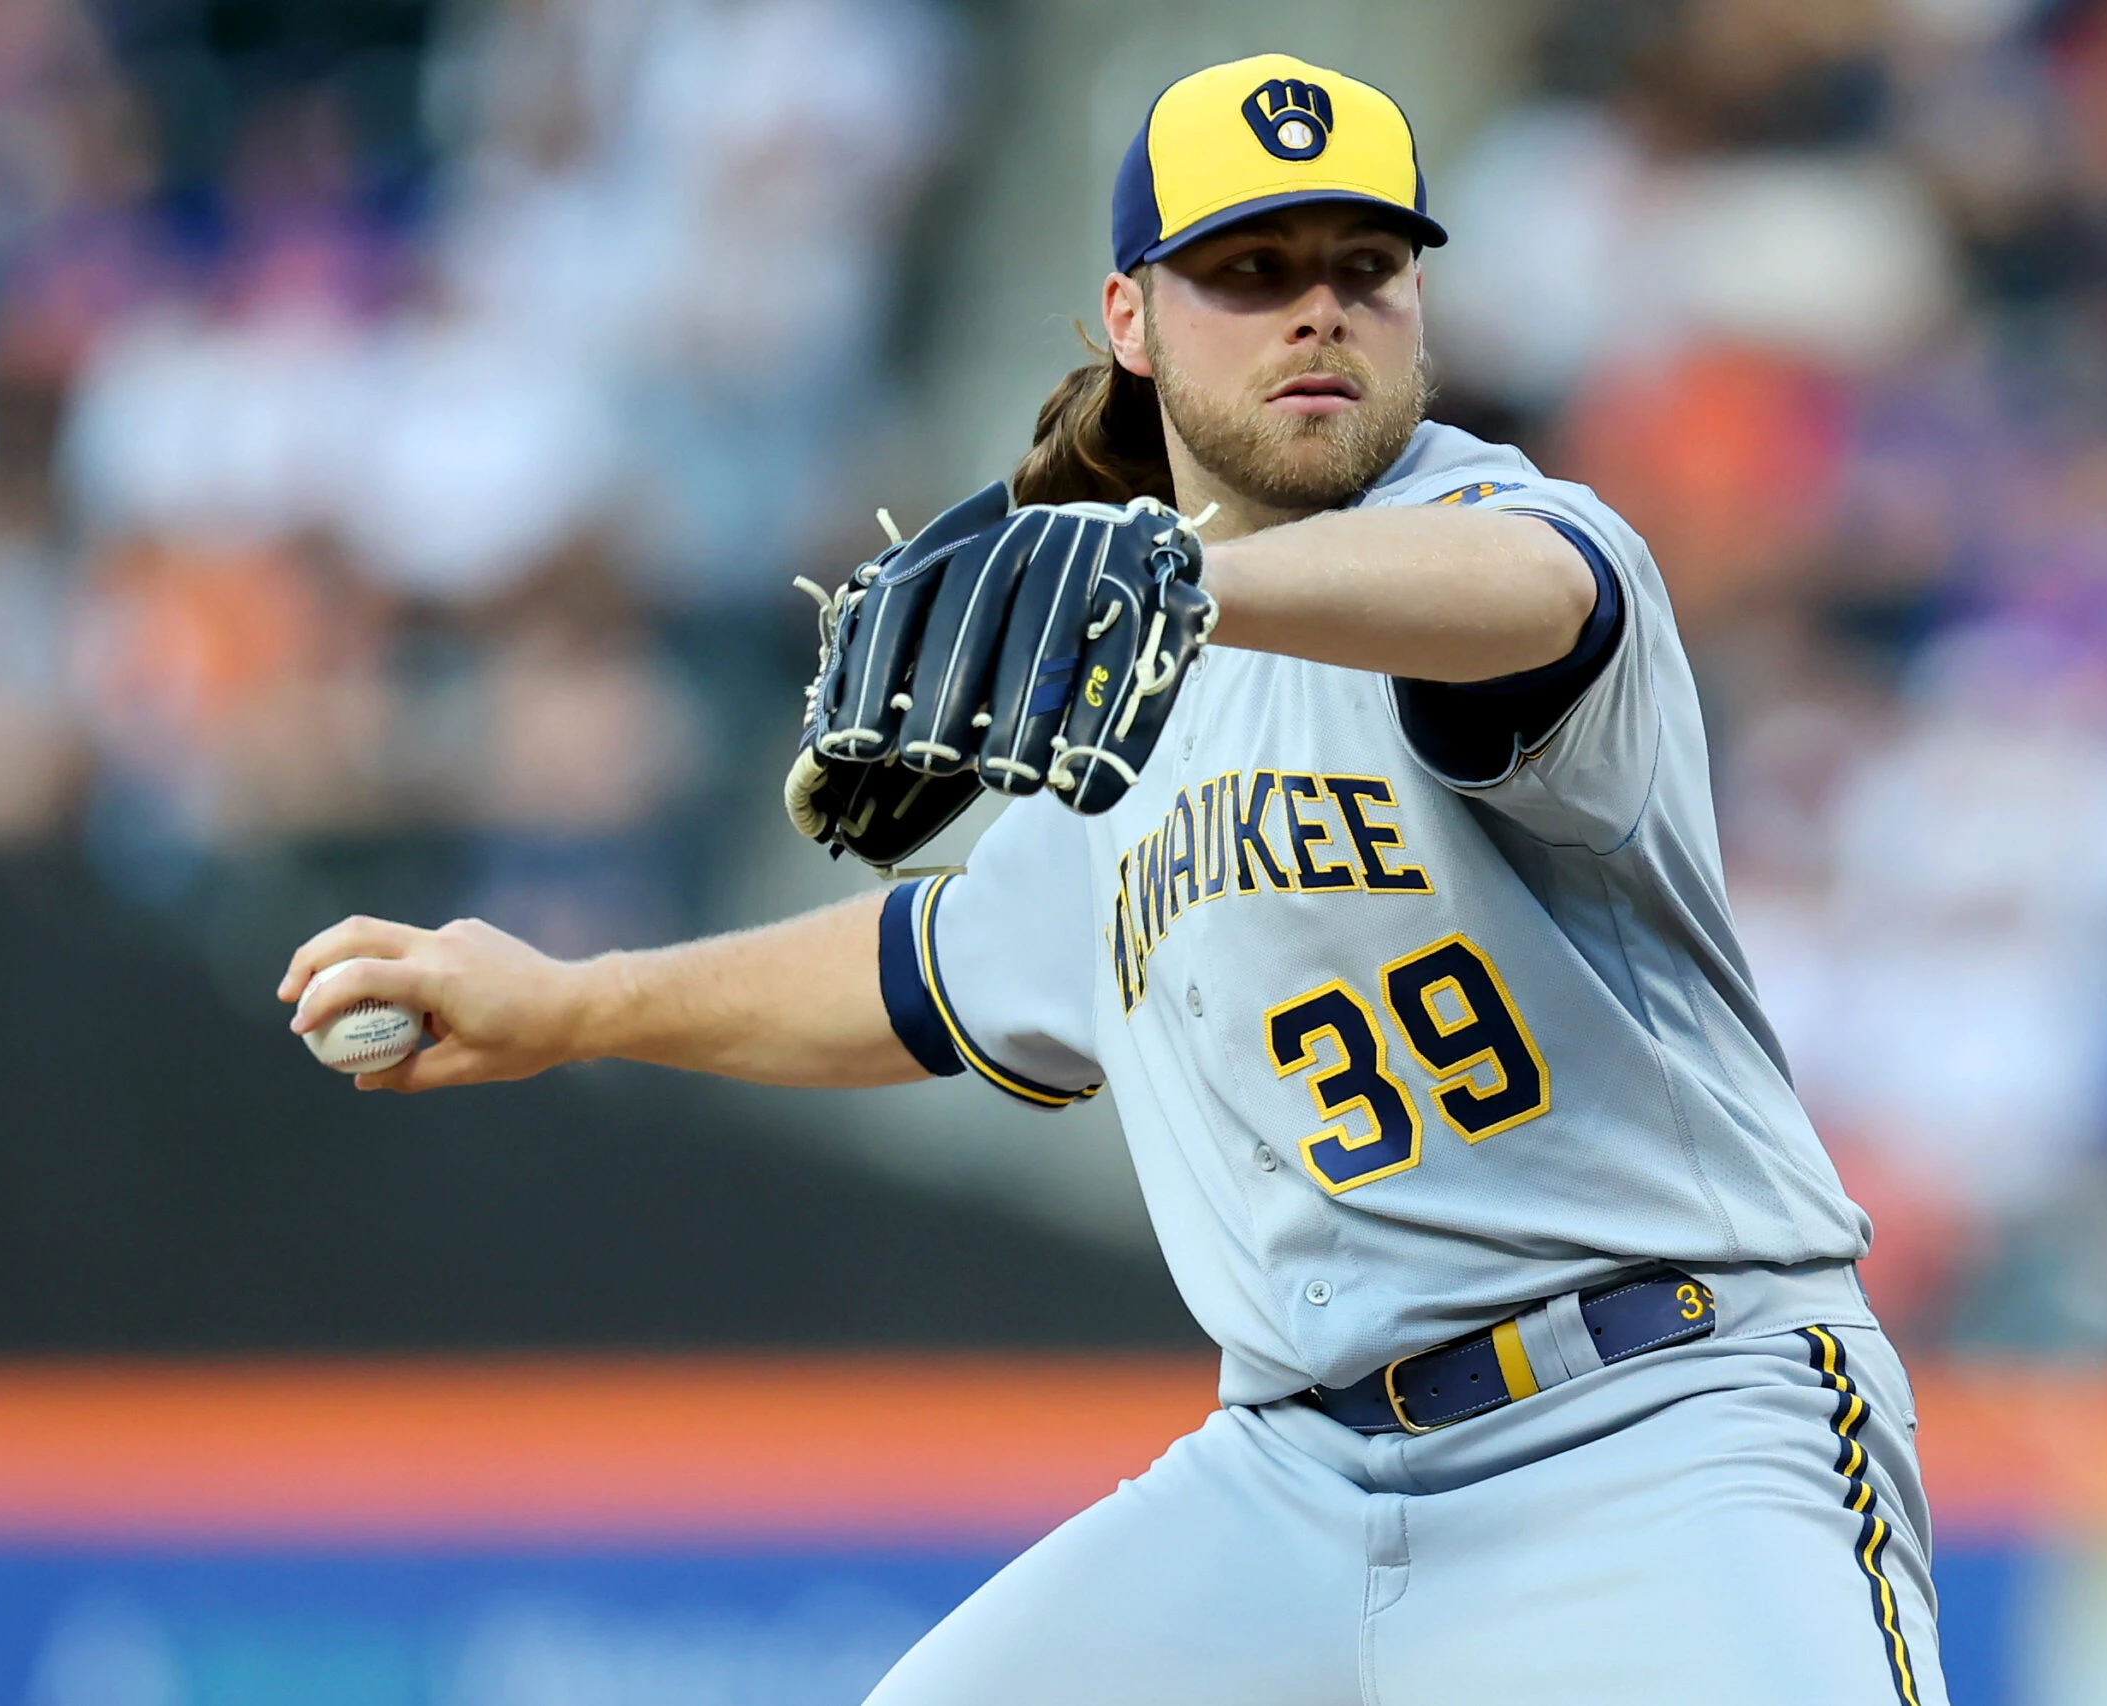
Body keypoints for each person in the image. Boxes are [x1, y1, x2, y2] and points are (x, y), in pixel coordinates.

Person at [281, 53, 1947, 1706]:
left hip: (1660, 1424)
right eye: (1248, 272)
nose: (1319, 311)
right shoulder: (1133, 698)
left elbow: (1534, 599)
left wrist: (1184, 577)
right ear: (1132, 319)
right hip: (1294, 1480)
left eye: (1365, 269)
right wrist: (576, 1001)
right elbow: (924, 970)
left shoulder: (1492, 542)